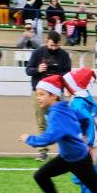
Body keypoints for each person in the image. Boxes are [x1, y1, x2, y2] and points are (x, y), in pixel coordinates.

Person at [24, 31, 72, 160]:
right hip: (38, 91)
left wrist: (57, 75)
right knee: (41, 121)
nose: (54, 48)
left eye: (56, 46)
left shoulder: (64, 55)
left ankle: (66, 149)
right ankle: (43, 151)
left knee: (62, 121)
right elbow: (28, 70)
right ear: (47, 41)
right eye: (51, 45)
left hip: (56, 93)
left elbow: (68, 74)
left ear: (60, 43)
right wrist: (38, 70)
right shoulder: (38, 52)